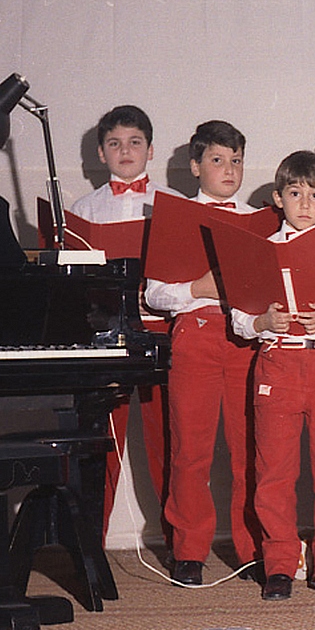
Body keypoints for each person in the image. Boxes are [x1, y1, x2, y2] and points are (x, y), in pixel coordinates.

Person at [230, 151, 315, 601]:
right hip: (278, 365)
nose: (305, 203)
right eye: (295, 193)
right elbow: (238, 319)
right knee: (274, 473)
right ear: (278, 198)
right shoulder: (258, 249)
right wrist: (262, 323)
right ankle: (281, 562)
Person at [143, 120, 261, 586]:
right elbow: (155, 294)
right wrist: (199, 288)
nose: (229, 169)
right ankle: (189, 548)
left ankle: (253, 547)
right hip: (196, 333)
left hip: (245, 337)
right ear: (195, 167)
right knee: (191, 447)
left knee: (248, 447)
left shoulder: (258, 218)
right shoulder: (176, 216)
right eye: (217, 160)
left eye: (236, 160)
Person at [69, 104, 175, 540]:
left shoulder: (171, 206)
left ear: (150, 151)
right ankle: (90, 540)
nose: (125, 151)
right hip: (107, 337)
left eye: (134, 142)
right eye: (114, 143)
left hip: (159, 330)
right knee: (103, 441)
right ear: (101, 153)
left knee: (168, 440)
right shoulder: (84, 209)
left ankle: (179, 542)